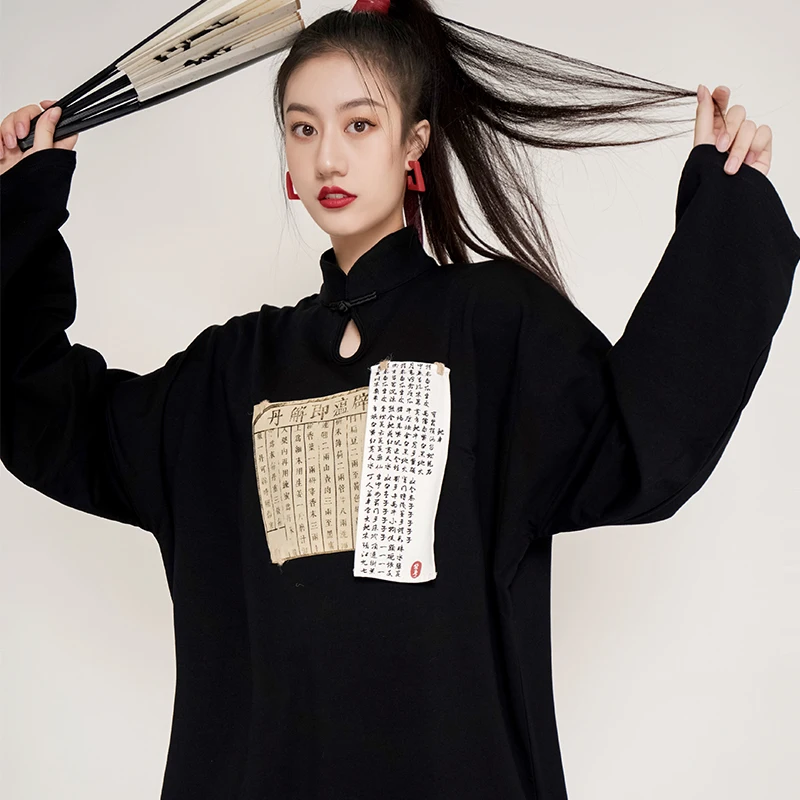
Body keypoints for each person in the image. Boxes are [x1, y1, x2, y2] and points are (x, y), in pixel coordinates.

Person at [2, 1, 799, 798]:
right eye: (303, 128)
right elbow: (55, 422)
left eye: (359, 124)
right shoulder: (232, 372)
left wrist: (726, 212)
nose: (328, 158)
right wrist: (19, 211)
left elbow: (640, 440)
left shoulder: (494, 326)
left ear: (413, 143)